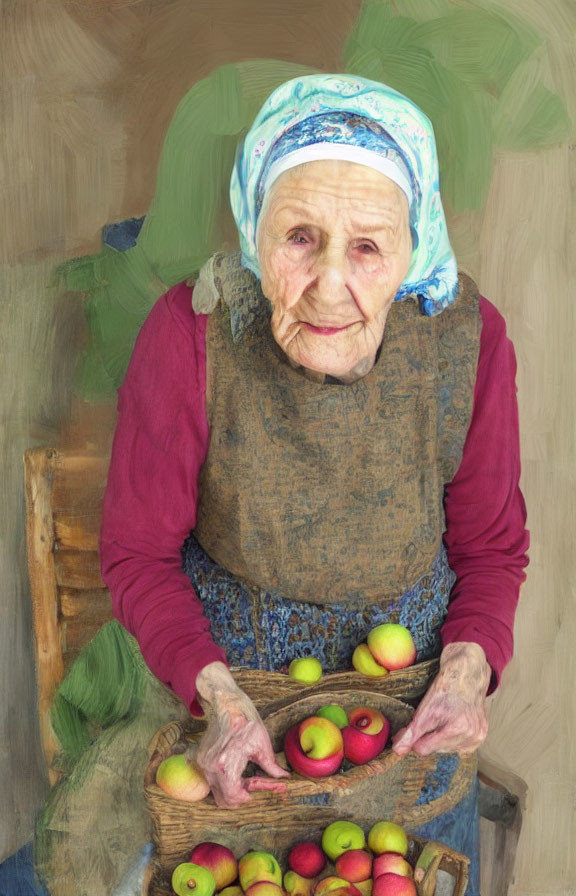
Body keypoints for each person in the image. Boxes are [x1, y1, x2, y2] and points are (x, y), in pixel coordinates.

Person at [96, 73, 528, 895]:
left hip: (406, 732)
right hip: (234, 719)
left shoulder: (467, 339)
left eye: (368, 246)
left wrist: (467, 676)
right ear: (253, 231)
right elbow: (138, 554)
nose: (330, 286)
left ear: (415, 247)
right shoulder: (192, 331)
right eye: (298, 237)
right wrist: (219, 703)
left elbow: (492, 546)